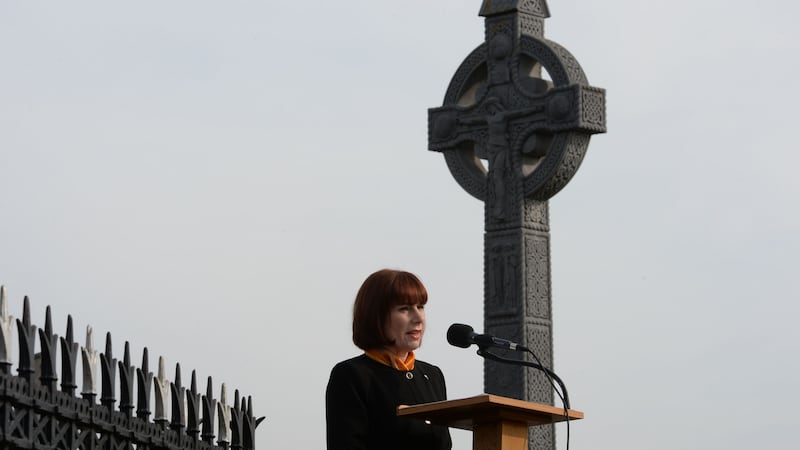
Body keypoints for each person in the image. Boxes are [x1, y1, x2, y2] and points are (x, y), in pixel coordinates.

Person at [325, 269, 452, 450]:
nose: (418, 318)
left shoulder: (432, 376)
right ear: (376, 316)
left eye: (420, 307)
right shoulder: (352, 375)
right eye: (404, 309)